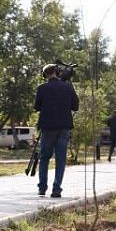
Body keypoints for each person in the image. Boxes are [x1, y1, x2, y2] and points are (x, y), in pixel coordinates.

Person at [34, 63, 79, 198]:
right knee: (60, 159)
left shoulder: (42, 88)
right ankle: (57, 189)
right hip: (64, 127)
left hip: (48, 128)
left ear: (45, 75)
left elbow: (36, 107)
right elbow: (75, 106)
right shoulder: (67, 87)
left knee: (44, 158)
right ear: (57, 72)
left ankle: (42, 188)